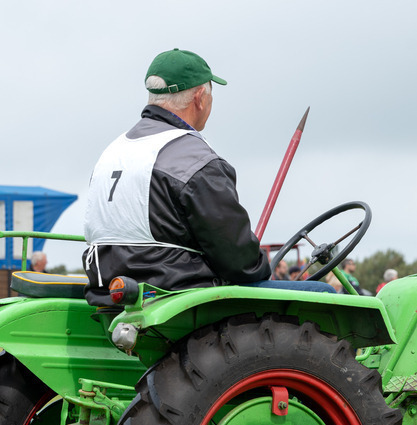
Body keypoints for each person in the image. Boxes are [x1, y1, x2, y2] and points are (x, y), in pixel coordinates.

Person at [81, 48, 331, 305]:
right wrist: (260, 266)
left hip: (108, 291)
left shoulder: (111, 153)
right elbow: (239, 261)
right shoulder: (194, 159)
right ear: (200, 98)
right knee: (325, 295)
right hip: (179, 292)